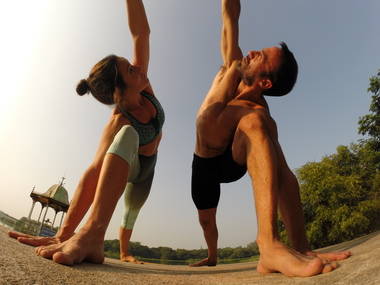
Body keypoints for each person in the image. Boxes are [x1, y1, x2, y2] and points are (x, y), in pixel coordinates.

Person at [189, 0, 351, 277]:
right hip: (204, 165)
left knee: (257, 122)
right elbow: (230, 16)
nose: (251, 52)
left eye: (260, 56)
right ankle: (212, 255)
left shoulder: (259, 112)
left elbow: (283, 173)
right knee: (206, 220)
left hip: (233, 160)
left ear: (264, 83)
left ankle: (272, 245)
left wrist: (303, 247)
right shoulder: (233, 68)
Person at [9, 0, 164, 265]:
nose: (138, 68)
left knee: (131, 214)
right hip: (132, 165)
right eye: (130, 69)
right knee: (127, 136)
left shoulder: (142, 87)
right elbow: (93, 174)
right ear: (119, 93)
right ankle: (92, 234)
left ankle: (125, 250)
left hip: (147, 172)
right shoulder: (118, 121)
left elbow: (141, 33)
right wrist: (64, 234)